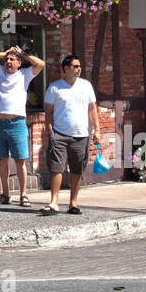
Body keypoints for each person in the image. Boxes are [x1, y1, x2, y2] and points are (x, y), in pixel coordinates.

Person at [0, 45, 43, 206]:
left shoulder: (25, 74)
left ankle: (23, 195)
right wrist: (4, 53)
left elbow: (40, 64)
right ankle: (5, 194)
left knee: (20, 161)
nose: (8, 62)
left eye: (12, 59)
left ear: (19, 63)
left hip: (17, 123)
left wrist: (23, 54)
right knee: (1, 160)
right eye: (7, 60)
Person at [40, 55, 100, 215]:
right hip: (59, 133)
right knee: (56, 168)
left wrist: (97, 130)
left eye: (79, 66)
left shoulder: (86, 86)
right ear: (66, 68)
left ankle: (73, 203)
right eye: (75, 66)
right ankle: (54, 202)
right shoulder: (54, 87)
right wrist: (50, 130)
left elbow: (92, 109)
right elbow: (48, 111)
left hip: (81, 134)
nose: (79, 69)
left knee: (77, 169)